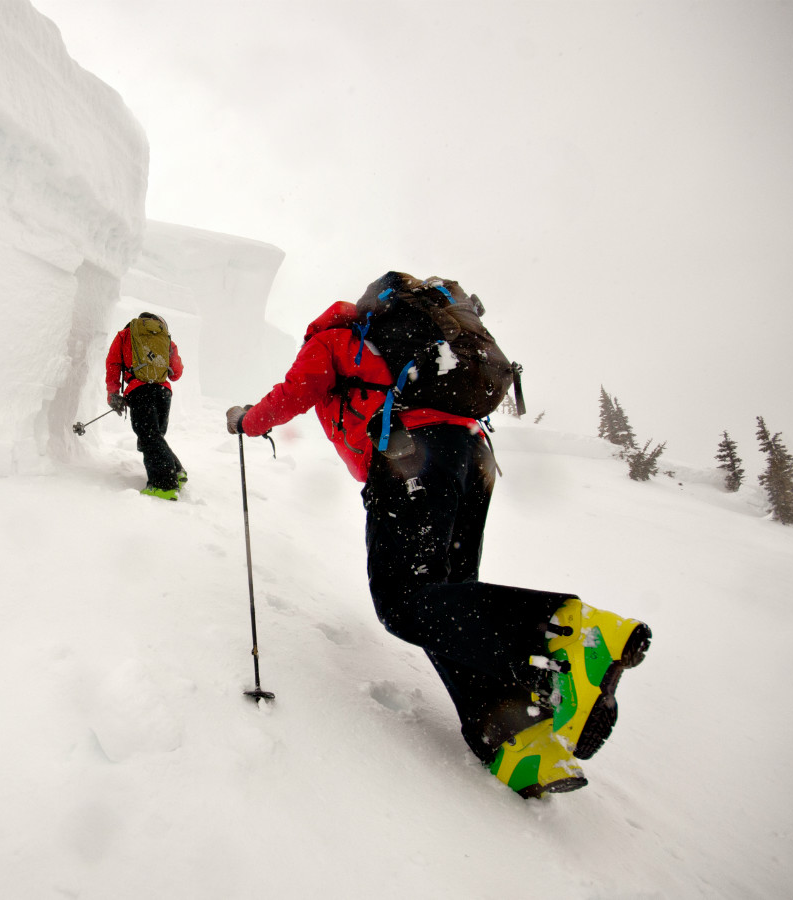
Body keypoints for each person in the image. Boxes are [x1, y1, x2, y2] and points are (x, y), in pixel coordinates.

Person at [224, 271, 652, 798]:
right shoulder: (412, 341)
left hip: (413, 455)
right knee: (448, 605)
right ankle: (513, 736)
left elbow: (294, 393)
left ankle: (570, 636)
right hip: (473, 456)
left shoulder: (335, 337)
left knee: (404, 602)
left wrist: (246, 420)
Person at [106, 312, 187, 500]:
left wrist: (113, 394)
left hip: (140, 390)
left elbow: (113, 364)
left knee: (149, 437)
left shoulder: (125, 335)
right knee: (154, 436)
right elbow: (176, 373)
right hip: (163, 393)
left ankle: (164, 485)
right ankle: (176, 471)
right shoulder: (165, 339)